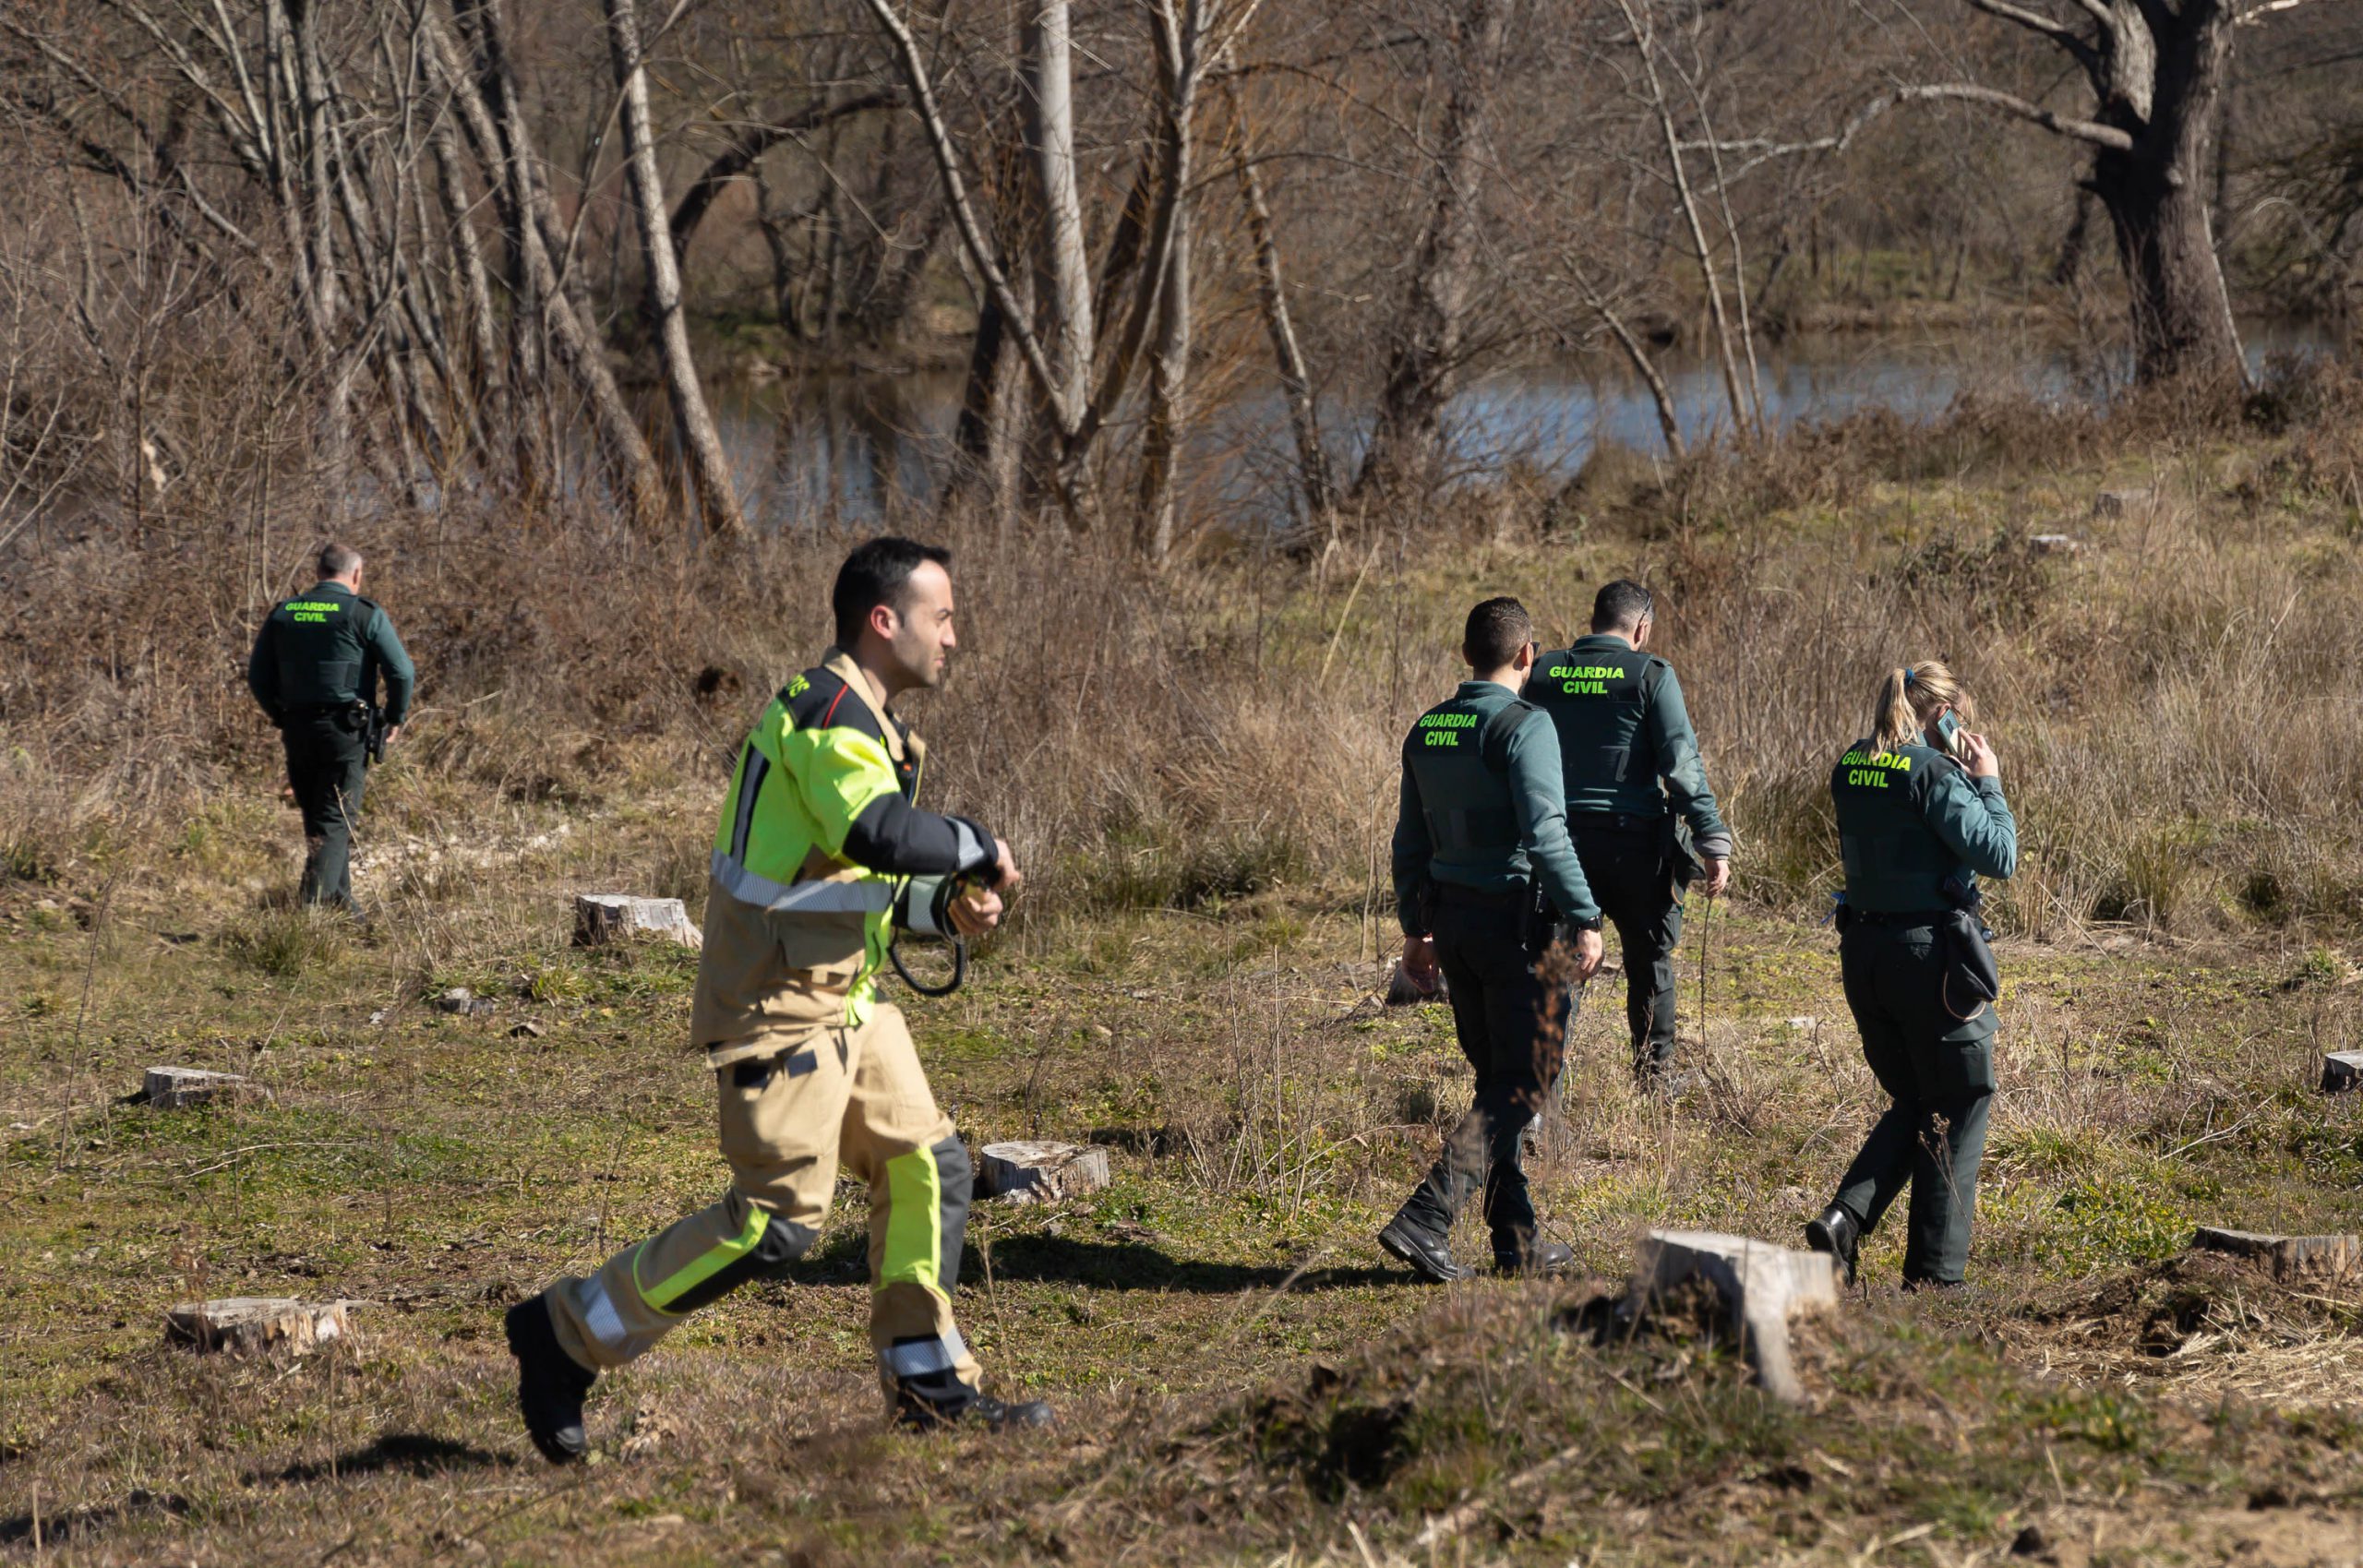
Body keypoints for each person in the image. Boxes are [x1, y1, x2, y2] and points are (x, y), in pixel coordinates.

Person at [503, 537, 1048, 1462]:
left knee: (928, 1165)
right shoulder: (830, 716)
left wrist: (942, 906)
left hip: (846, 998)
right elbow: (873, 830)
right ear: (886, 621)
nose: (954, 637)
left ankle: (927, 1383)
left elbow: (838, 876)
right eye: (942, 616)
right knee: (777, 1223)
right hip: (777, 1005)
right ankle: (565, 1333)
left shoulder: (864, 716)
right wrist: (972, 839)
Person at [1378, 597, 1606, 1282]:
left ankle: (1516, 1237)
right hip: (1517, 927)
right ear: (1527, 653)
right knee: (1526, 1077)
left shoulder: (1428, 728)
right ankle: (1428, 1214)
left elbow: (1409, 844)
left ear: (1468, 652)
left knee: (1496, 1080)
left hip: (1453, 924)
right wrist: (1587, 914)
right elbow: (1546, 833)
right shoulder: (1524, 725)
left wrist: (1417, 930)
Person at [1805, 662, 2016, 1290]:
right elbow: (1998, 855)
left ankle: (1844, 1218)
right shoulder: (1934, 773)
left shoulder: (1851, 764)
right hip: (1930, 962)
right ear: (1942, 714)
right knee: (1960, 1098)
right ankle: (1936, 1279)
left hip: (1864, 953)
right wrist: (1989, 781)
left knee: (1920, 1099)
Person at [1528, 581, 1731, 1088]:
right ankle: (1654, 1077)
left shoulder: (1545, 671)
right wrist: (1711, 837)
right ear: (1642, 628)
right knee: (1650, 961)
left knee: (1556, 962)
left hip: (1558, 846)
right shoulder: (1651, 675)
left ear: (1594, 618)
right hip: (1634, 846)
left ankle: (1540, 1091)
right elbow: (1681, 766)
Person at [245, 543, 414, 918]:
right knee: (336, 818)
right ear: (355, 575)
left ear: (319, 572)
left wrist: (279, 715)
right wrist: (395, 717)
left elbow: (257, 676)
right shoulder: (361, 612)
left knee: (318, 818)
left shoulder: (285, 613)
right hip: (344, 729)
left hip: (297, 728)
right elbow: (402, 671)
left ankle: (342, 904)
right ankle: (309, 915)